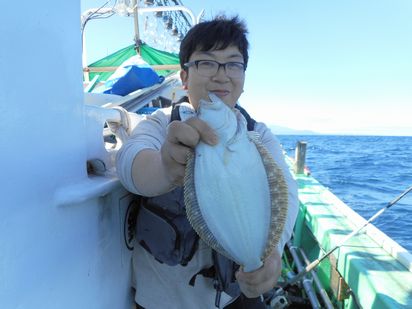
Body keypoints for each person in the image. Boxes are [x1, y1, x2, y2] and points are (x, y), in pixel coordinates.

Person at [116, 15, 298, 309]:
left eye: (233, 63)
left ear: (243, 78)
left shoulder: (258, 135)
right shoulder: (161, 125)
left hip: (232, 298)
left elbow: (286, 191)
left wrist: (272, 253)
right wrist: (165, 167)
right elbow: (129, 161)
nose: (221, 75)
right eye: (206, 62)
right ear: (184, 77)